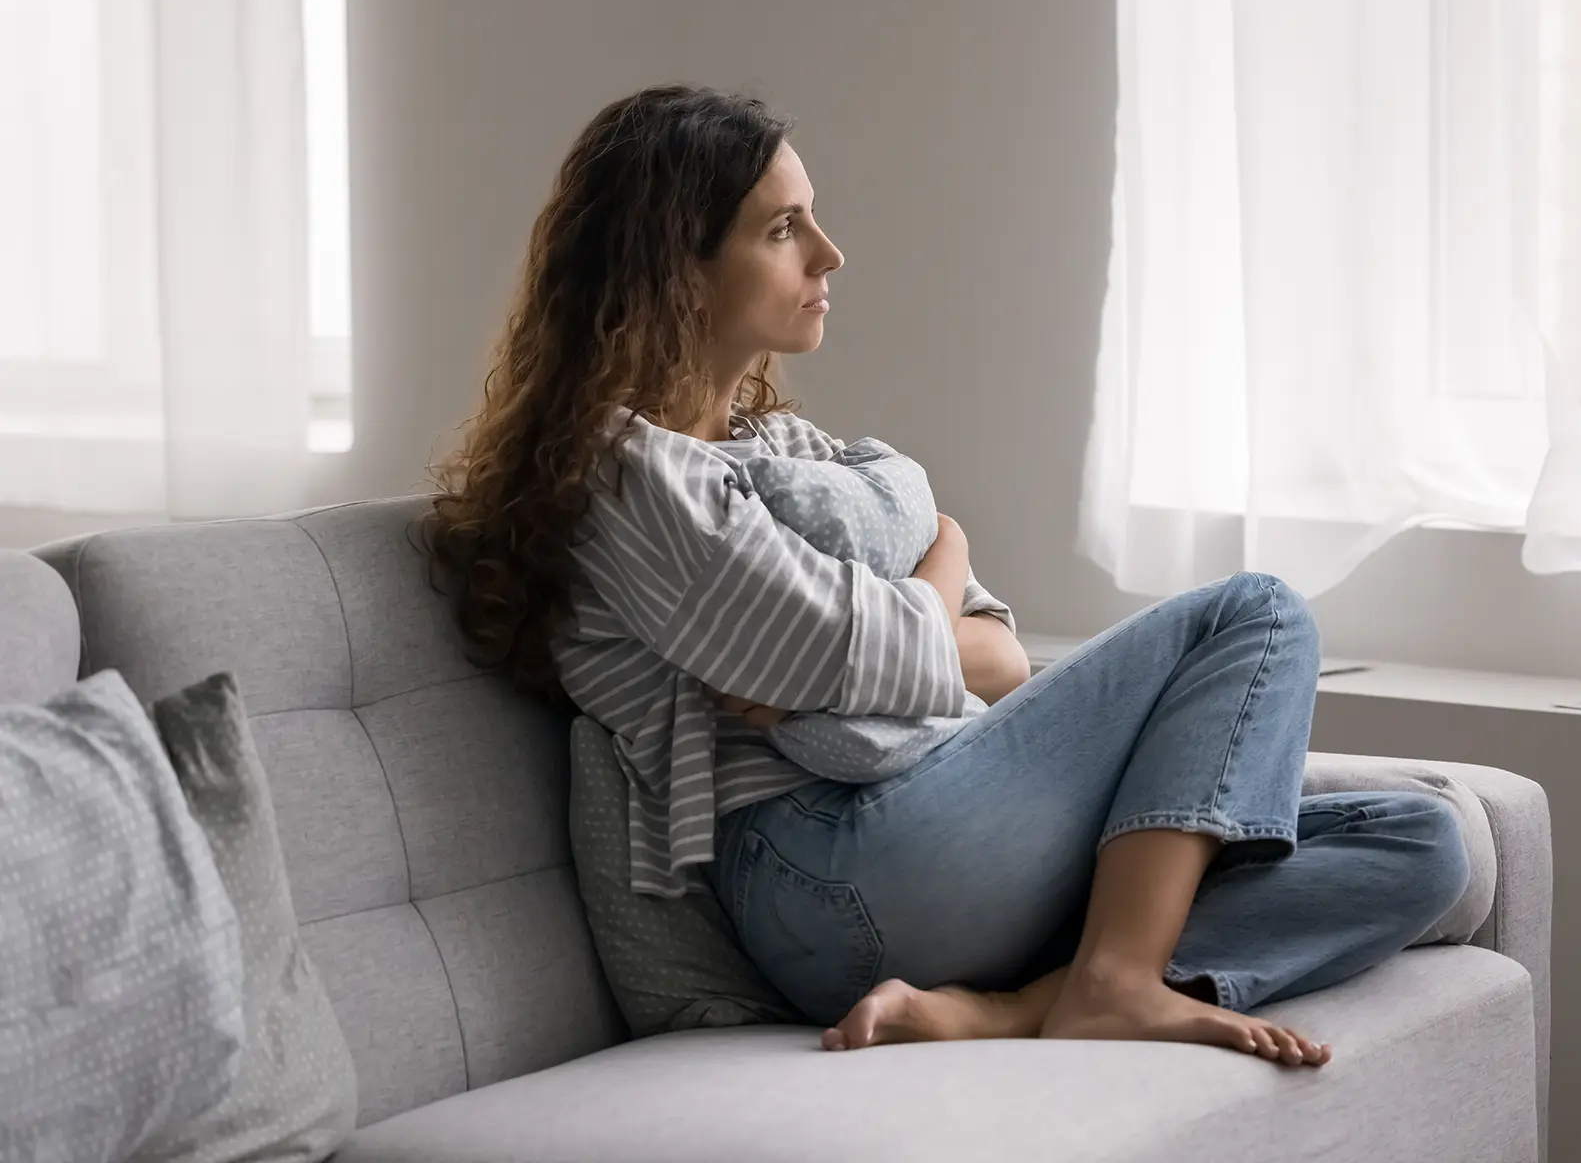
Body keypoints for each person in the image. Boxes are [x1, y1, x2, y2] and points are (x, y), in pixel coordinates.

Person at [423, 84, 1470, 1069]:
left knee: (1421, 841)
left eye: (812, 218)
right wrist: (938, 577)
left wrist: (928, 590)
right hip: (825, 868)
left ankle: (1019, 1006)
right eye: (782, 229)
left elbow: (1001, 662)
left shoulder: (797, 453)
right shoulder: (627, 473)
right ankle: (1111, 978)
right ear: (673, 270)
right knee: (1259, 614)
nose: (829, 252)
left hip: (939, 837)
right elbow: (844, 651)